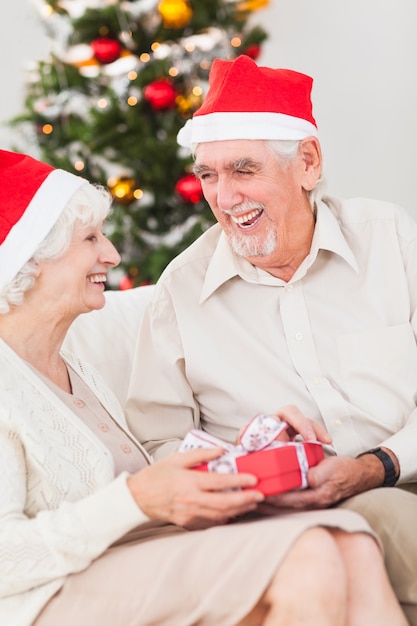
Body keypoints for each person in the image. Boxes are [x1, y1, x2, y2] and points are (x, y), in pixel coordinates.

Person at [0, 149, 407, 626]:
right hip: (49, 594)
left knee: (351, 540)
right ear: (28, 262)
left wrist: (246, 450)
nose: (110, 254)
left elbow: (156, 487)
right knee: (309, 552)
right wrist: (134, 499)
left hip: (136, 554)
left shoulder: (75, 370)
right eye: (90, 239)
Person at [125, 55, 417, 623]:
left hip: (398, 470)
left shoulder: (393, 241)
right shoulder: (181, 292)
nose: (225, 197)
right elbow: (157, 446)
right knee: (388, 520)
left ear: (307, 162)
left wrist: (379, 463)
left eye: (243, 170)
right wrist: (239, 470)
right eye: (209, 175)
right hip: (284, 516)